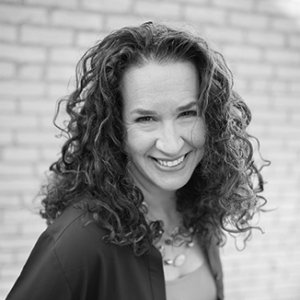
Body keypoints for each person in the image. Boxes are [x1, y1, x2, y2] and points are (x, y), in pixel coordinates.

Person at [6, 22, 268, 300]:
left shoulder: (201, 209)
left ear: (211, 119)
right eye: (146, 119)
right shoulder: (77, 242)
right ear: (114, 129)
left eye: (187, 113)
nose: (172, 144)